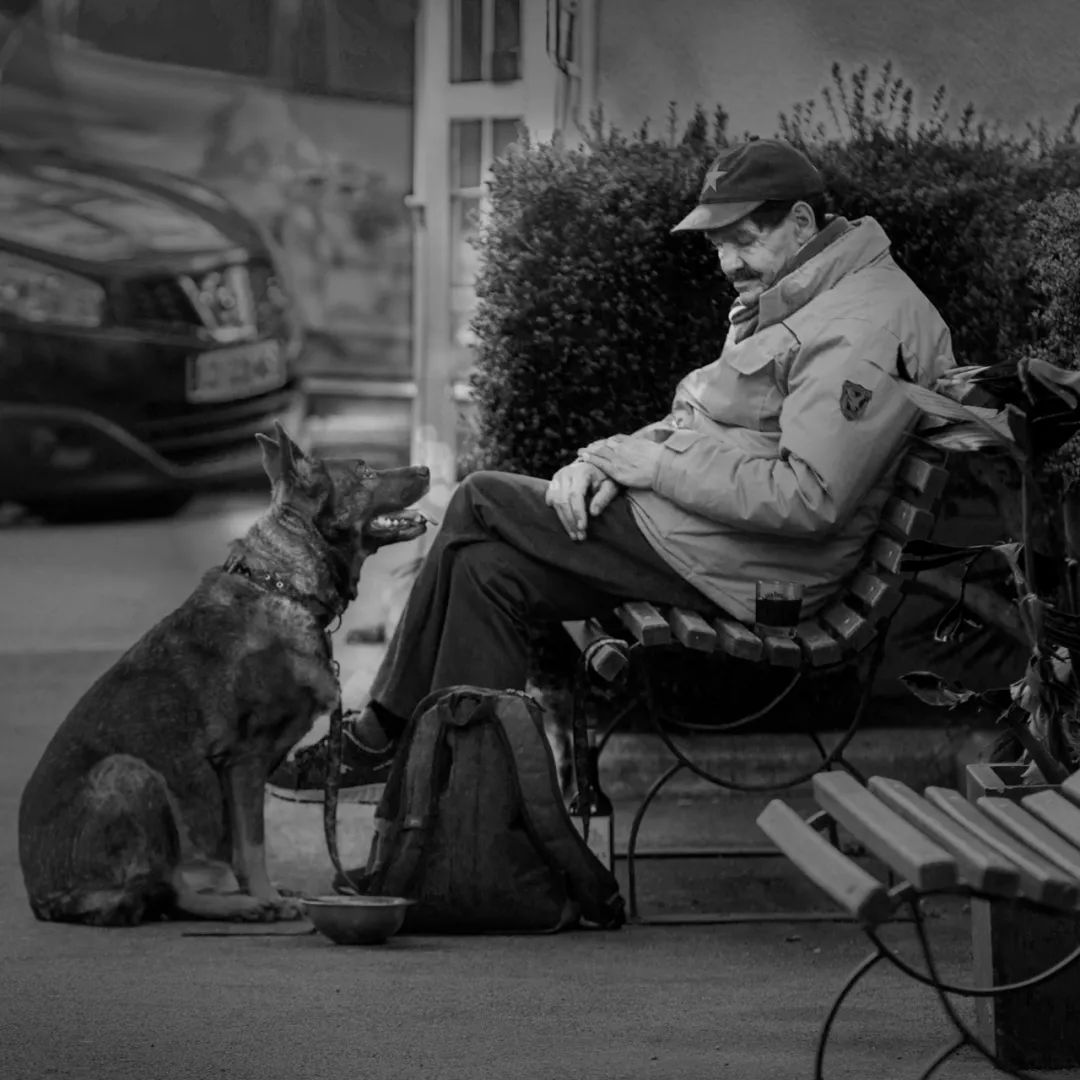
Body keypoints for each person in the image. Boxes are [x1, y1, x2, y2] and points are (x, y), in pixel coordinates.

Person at [268, 136, 956, 801]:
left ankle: (380, 735)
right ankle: (451, 811)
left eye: (744, 239)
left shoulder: (862, 326)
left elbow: (808, 499)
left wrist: (647, 465)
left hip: (764, 570)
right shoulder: (802, 296)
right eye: (719, 245)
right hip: (712, 539)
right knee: (485, 573)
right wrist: (605, 460)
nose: (729, 263)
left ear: (802, 221)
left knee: (481, 500)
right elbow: (704, 423)